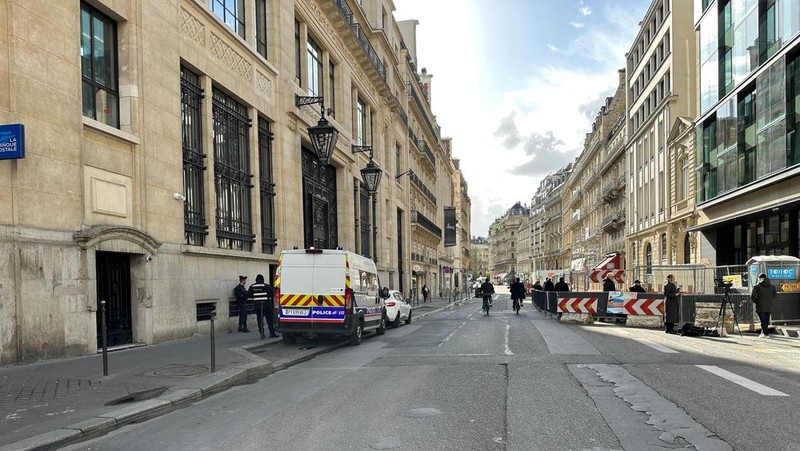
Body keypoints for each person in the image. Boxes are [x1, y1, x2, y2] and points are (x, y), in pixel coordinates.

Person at [249, 274, 278, 339]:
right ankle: (271, 333)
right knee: (269, 320)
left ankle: (262, 333)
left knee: (259, 320)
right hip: (267, 306)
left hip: (257, 306)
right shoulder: (266, 286)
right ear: (263, 279)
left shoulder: (252, 286)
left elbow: (249, 295)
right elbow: (271, 294)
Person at [751, 273, 777, 338]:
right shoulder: (772, 286)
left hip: (760, 306)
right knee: (766, 320)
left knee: (763, 321)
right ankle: (763, 332)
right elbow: (775, 296)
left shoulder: (757, 286)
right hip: (769, 306)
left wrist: (757, 301)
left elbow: (752, 296)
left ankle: (766, 333)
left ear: (759, 279)